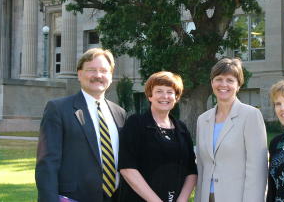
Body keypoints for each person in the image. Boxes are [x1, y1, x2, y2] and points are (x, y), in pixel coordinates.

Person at [35, 48, 126, 202]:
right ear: (79, 74)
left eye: (104, 70)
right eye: (91, 70)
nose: (98, 75)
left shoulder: (119, 113)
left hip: (116, 197)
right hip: (74, 197)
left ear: (110, 75)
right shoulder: (58, 109)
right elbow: (47, 163)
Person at [195, 58, 268, 202]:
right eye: (218, 79)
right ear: (212, 83)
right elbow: (202, 167)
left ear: (238, 85)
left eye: (230, 80)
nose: (223, 84)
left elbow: (258, 169)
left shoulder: (251, 115)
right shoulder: (202, 120)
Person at [118, 71, 197, 202]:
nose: (164, 96)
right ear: (150, 96)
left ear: (176, 97)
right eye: (159, 91)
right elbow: (127, 168)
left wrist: (182, 200)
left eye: (170, 92)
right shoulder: (136, 124)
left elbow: (191, 170)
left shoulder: (182, 129)